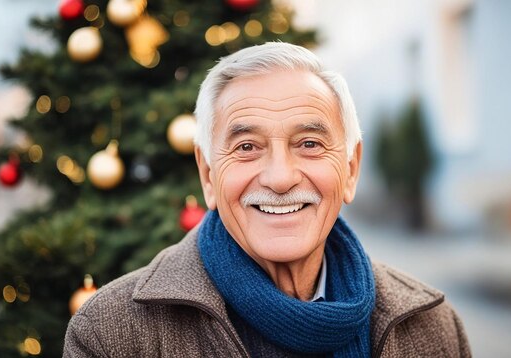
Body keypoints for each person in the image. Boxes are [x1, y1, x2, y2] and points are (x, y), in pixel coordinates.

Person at [64, 42, 471, 357]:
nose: (280, 178)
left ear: (350, 169)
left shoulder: (432, 326)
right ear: (208, 175)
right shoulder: (112, 332)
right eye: (246, 147)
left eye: (309, 143)